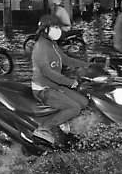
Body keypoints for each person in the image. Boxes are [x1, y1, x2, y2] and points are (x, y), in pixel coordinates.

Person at [31, 15, 91, 143]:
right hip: (44, 89)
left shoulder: (52, 44)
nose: (58, 30)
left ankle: (63, 121)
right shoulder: (40, 47)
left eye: (58, 27)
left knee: (84, 102)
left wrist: (86, 65)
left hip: (55, 86)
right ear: (45, 29)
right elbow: (47, 72)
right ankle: (44, 128)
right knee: (75, 107)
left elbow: (66, 59)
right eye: (55, 27)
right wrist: (69, 82)